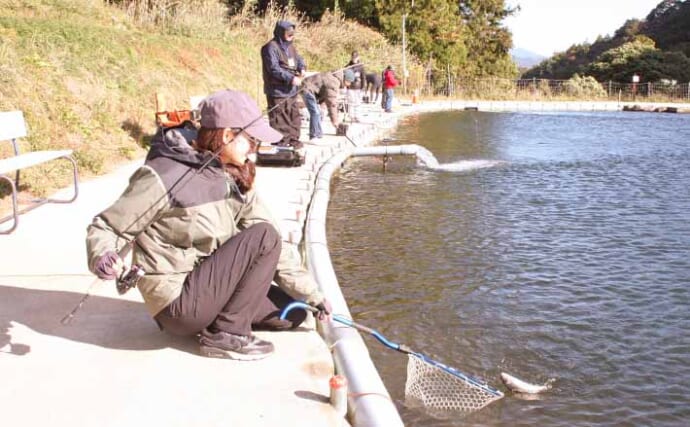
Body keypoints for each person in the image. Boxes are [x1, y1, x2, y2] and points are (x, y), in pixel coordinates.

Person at [86, 89, 332, 361]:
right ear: (227, 135)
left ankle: (219, 323)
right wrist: (103, 256)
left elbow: (277, 252)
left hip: (207, 288)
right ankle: (227, 335)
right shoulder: (164, 174)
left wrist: (312, 295)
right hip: (176, 303)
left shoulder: (234, 174)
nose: (255, 149)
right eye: (251, 141)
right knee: (264, 237)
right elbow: (106, 227)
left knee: (291, 312)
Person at [261, 21, 306, 148]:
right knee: (280, 119)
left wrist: (302, 67)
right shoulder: (270, 47)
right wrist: (291, 78)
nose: (291, 36)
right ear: (281, 33)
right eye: (289, 34)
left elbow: (299, 59)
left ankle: (293, 140)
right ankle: (282, 144)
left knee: (294, 116)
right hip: (277, 91)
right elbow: (273, 69)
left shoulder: (291, 47)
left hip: (291, 91)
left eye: (293, 34)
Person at [301, 70, 353, 142]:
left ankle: (318, 134)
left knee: (319, 112)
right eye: (349, 82)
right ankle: (314, 136)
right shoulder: (333, 82)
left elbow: (325, 95)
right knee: (315, 112)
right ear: (345, 78)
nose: (349, 84)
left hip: (313, 90)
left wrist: (324, 108)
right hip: (307, 89)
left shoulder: (334, 77)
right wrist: (335, 120)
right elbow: (331, 102)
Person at [345, 51, 365, 122]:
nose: (354, 59)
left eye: (356, 57)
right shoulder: (348, 66)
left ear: (358, 57)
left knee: (358, 103)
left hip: (358, 87)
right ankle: (351, 117)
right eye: (353, 57)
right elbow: (345, 77)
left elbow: (363, 77)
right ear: (351, 57)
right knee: (351, 102)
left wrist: (363, 87)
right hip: (350, 87)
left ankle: (357, 116)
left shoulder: (361, 66)